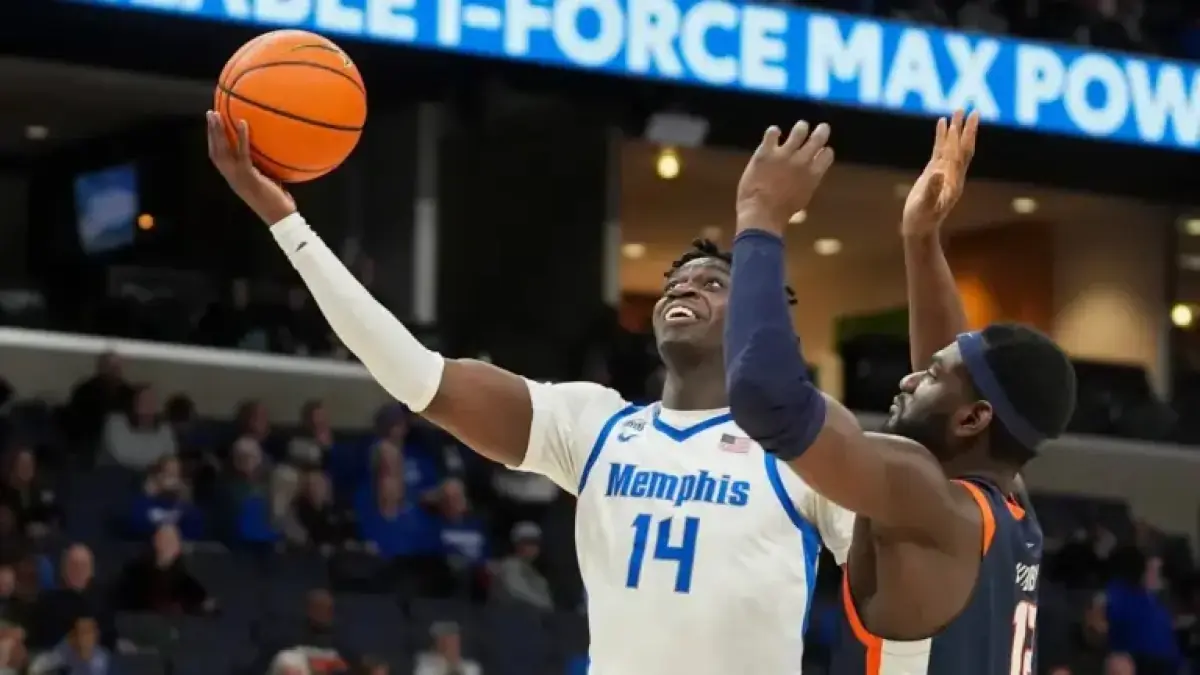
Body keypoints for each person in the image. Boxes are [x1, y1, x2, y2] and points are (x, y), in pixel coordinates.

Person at [205, 110, 855, 675]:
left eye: (713, 283)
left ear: (760, 315)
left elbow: (899, 595)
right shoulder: (596, 424)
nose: (684, 287)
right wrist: (286, 221)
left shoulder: (807, 444)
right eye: (676, 282)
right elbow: (414, 374)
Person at [722, 111, 1076, 675]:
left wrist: (759, 217)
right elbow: (960, 384)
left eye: (929, 376)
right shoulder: (1012, 510)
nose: (909, 378)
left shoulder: (927, 504)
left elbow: (767, 397)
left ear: (973, 419)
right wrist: (921, 238)